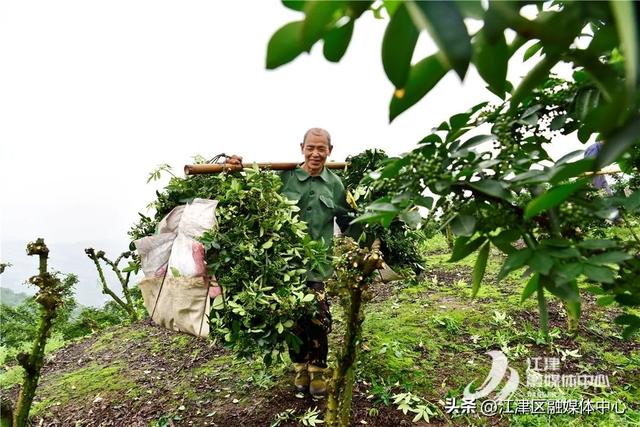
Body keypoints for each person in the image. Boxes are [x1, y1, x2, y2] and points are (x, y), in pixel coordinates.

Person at [227, 127, 350, 398]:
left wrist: (368, 239)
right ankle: (300, 368)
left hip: (318, 264)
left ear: (330, 150)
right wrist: (234, 169)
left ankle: (318, 370)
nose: (316, 153)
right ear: (302, 147)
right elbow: (253, 195)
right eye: (311, 147)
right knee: (293, 318)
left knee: (317, 318)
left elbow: (346, 219)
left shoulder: (335, 184)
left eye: (322, 148)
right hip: (285, 264)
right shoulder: (284, 178)